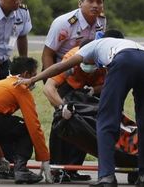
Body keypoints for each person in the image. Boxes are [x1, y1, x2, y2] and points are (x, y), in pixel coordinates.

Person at [14, 35, 144, 187]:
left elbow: (59, 67)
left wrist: (33, 79)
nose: (86, 64)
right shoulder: (122, 46)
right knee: (143, 119)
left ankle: (107, 177)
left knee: (106, 120)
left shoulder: (89, 48)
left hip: (124, 62)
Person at [43, 31, 119, 183]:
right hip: (68, 87)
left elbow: (112, 84)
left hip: (91, 88)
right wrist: (61, 107)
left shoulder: (106, 61)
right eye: (86, 62)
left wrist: (94, 90)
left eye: (93, 64)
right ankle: (56, 168)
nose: (89, 66)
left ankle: (73, 169)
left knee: (87, 125)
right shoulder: (71, 60)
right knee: (62, 122)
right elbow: (49, 87)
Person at [42, 0, 106, 71]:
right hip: (62, 69)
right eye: (90, 1)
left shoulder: (102, 20)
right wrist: (50, 80)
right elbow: (47, 54)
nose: (95, 5)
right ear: (80, 3)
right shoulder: (63, 23)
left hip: (88, 68)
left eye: (99, 2)